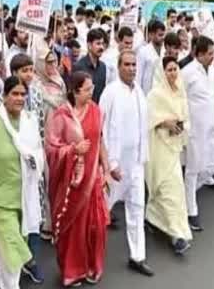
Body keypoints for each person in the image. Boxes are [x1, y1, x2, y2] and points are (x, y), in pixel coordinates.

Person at [0, 77, 45, 288]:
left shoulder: (30, 122)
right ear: (3, 97)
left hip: (22, 200)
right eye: (14, 94)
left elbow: (40, 153)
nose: (19, 98)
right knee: (12, 258)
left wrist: (33, 158)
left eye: (23, 94)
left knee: (2, 252)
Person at [45, 72, 109, 287]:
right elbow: (51, 148)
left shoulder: (96, 111)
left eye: (92, 88)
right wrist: (73, 150)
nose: (92, 93)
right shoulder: (61, 115)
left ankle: (92, 266)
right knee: (72, 231)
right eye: (88, 89)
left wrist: (106, 171)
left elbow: (100, 143)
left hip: (92, 180)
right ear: (74, 91)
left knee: (96, 227)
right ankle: (72, 271)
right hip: (69, 185)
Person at [99, 51, 153, 276]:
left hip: (136, 164)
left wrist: (142, 158)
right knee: (101, 212)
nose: (132, 68)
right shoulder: (110, 92)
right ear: (119, 66)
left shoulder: (139, 91)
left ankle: (137, 256)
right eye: (127, 64)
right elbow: (100, 129)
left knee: (137, 209)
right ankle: (90, 258)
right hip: (115, 167)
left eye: (134, 65)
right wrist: (110, 164)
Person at [145, 56, 192, 255]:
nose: (172, 73)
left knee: (174, 191)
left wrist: (180, 126)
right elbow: (149, 118)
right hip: (158, 148)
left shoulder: (180, 93)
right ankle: (175, 234)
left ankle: (171, 229)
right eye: (169, 70)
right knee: (164, 188)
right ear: (162, 72)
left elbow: (186, 118)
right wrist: (165, 123)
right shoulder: (155, 94)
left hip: (173, 149)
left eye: (175, 69)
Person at [181, 36, 214, 232]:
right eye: (209, 54)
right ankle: (191, 210)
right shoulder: (187, 73)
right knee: (192, 170)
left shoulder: (213, 72)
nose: (212, 57)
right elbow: (179, 99)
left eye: (213, 53)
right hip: (194, 130)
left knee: (213, 165)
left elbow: (213, 98)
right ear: (198, 54)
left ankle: (183, 193)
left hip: (212, 127)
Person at [73, 28, 107, 104]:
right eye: (98, 44)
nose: (101, 47)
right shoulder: (79, 66)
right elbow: (74, 95)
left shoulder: (103, 67)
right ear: (89, 45)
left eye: (102, 44)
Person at [136, 20, 167, 94]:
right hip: (147, 93)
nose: (162, 38)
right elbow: (138, 76)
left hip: (161, 93)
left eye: (163, 35)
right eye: (160, 35)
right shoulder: (143, 51)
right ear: (151, 35)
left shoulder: (165, 51)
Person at [36, 49, 68, 121]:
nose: (53, 65)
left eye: (54, 61)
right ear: (41, 64)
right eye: (49, 62)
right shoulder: (35, 84)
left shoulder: (59, 80)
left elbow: (64, 101)